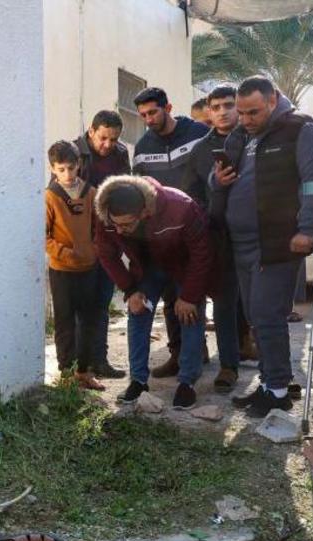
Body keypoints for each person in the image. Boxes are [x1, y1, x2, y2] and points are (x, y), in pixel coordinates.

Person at [210, 76, 313, 418]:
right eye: (242, 112)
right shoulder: (240, 135)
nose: (245, 119)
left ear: (273, 100)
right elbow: (219, 178)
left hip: (276, 242)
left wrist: (308, 229)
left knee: (266, 314)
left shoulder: (299, 129)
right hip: (240, 244)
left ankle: (277, 391)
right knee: (254, 316)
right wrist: (216, 180)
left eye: (254, 112)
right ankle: (270, 383)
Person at [95, 175, 215, 410]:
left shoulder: (181, 207)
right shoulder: (105, 215)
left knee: (190, 315)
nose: (119, 229)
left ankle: (187, 382)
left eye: (126, 225)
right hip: (146, 269)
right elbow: (106, 253)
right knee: (137, 312)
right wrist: (130, 290)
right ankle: (138, 380)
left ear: (144, 212)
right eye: (115, 224)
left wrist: (189, 296)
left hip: (184, 266)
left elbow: (202, 252)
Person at [131, 87, 211, 379]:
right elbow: (138, 192)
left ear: (168, 108)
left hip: (198, 228)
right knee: (170, 298)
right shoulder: (142, 147)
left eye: (153, 112)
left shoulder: (199, 133)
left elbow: (213, 179)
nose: (148, 119)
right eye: (143, 115)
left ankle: (218, 354)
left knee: (196, 295)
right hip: (162, 237)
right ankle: (178, 354)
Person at [187, 84, 246, 393]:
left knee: (261, 307)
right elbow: (192, 195)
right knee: (222, 302)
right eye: (216, 107)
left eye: (228, 105)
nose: (223, 112)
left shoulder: (254, 140)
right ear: (208, 112)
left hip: (253, 235)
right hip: (217, 236)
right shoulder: (199, 151)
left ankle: (275, 374)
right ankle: (227, 366)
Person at [70, 110, 132, 379]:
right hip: (81, 239)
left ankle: (100, 361)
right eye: (103, 138)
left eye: (114, 139)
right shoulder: (73, 152)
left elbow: (126, 189)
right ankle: (78, 366)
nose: (108, 145)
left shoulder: (120, 154)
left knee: (102, 303)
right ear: (91, 131)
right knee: (81, 306)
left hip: (109, 237)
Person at [44, 140, 104, 391]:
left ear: (78, 164)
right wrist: (65, 254)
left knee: (88, 321)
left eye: (71, 168)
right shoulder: (49, 197)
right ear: (53, 169)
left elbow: (99, 228)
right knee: (64, 323)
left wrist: (93, 250)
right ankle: (66, 372)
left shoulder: (91, 193)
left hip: (88, 268)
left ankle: (84, 371)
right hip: (62, 270)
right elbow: (44, 236)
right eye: (61, 169)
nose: (67, 174)